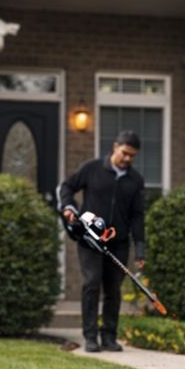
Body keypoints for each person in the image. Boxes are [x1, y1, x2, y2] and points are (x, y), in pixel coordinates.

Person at [58, 130, 146, 352]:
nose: (127, 159)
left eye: (132, 156)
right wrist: (69, 207)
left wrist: (140, 249)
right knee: (91, 284)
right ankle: (90, 337)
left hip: (119, 242)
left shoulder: (135, 180)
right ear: (115, 146)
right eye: (125, 153)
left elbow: (137, 215)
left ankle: (109, 337)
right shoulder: (92, 169)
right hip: (90, 239)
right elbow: (66, 187)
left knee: (113, 290)